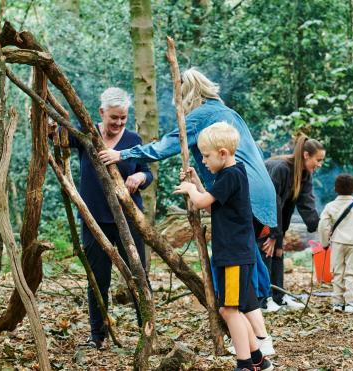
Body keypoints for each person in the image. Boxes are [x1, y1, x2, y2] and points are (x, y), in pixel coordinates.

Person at [99, 68, 276, 356]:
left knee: (233, 276)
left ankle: (250, 343)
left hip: (242, 198)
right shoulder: (226, 112)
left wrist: (123, 155)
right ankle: (257, 339)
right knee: (248, 266)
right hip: (260, 195)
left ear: (187, 95)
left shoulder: (202, 116)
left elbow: (164, 146)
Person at [175, 123, 272, 371]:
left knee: (229, 310)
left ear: (223, 153)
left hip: (234, 255)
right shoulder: (230, 175)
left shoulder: (231, 175)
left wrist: (189, 190)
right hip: (231, 254)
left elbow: (201, 203)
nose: (204, 161)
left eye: (206, 156)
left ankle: (245, 364)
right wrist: (196, 183)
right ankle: (258, 359)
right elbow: (211, 203)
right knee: (229, 308)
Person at [68, 88, 153, 349]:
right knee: (97, 278)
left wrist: (140, 177)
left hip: (128, 220)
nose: (118, 123)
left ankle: (147, 331)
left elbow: (147, 173)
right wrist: (41, 121)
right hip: (94, 219)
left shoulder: (133, 139)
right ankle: (98, 336)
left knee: (139, 277)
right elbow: (56, 134)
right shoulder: (86, 135)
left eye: (123, 118)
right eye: (114, 117)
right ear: (102, 112)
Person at [261, 135, 325, 311]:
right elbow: (271, 201)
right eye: (318, 160)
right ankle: (263, 300)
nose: (319, 164)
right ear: (306, 155)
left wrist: (319, 227)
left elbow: (306, 204)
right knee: (267, 252)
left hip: (276, 219)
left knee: (278, 253)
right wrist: (273, 234)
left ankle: (279, 297)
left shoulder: (304, 175)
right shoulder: (281, 168)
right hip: (260, 216)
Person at [319, 173, 353, 313]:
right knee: (352, 273)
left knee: (337, 272)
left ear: (335, 189)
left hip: (337, 243)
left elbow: (323, 225)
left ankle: (337, 302)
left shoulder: (330, 206)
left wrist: (324, 243)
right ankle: (350, 303)